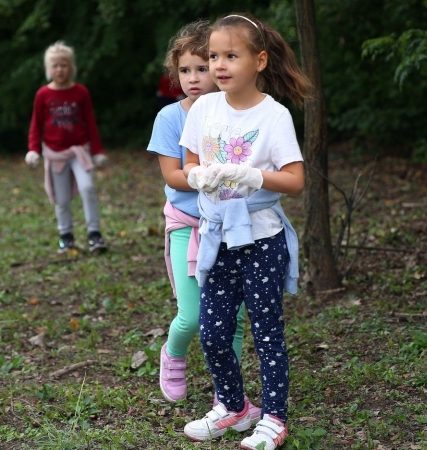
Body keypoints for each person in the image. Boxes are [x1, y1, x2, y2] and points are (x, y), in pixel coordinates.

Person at [179, 13, 311, 450]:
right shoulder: (204, 108)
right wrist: (197, 177)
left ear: (258, 60)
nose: (218, 65)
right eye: (213, 55)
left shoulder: (274, 116)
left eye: (230, 56)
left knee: (266, 330)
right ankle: (233, 407)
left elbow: (295, 180)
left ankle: (274, 418)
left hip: (261, 240)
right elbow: (188, 164)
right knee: (214, 332)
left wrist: (254, 176)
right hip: (216, 237)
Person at [147, 20, 259, 422]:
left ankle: (226, 391)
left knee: (235, 318)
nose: (193, 78)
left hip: (233, 226)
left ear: (218, 68)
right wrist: (207, 177)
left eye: (201, 67)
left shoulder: (238, 115)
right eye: (185, 70)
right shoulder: (170, 118)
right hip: (187, 225)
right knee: (192, 315)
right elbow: (173, 176)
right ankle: (172, 354)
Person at [25, 41, 107, 254]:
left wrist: (97, 152)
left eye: (64, 65)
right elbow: (36, 124)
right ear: (47, 69)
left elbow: (90, 123)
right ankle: (66, 236)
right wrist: (33, 149)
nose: (59, 69)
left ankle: (94, 234)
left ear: (71, 67)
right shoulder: (43, 94)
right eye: (55, 66)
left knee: (87, 187)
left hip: (79, 151)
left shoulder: (80, 92)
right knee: (61, 198)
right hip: (55, 154)